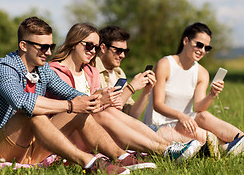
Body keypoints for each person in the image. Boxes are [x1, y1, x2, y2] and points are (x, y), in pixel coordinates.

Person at [0, 17, 157, 175]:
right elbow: (22, 102)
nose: (49, 52)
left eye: (51, 46)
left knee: (78, 112)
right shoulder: (4, 69)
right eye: (42, 47)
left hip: (27, 151)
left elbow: (72, 94)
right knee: (33, 113)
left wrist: (95, 100)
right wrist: (71, 105)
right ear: (24, 45)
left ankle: (121, 157)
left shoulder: (42, 69)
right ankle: (90, 162)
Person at [48, 23, 203, 163]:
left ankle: (168, 148)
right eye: (89, 46)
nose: (92, 51)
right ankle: (165, 150)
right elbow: (73, 107)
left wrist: (145, 92)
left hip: (96, 128)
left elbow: (123, 113)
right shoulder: (55, 71)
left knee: (108, 112)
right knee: (105, 113)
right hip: (66, 132)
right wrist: (124, 91)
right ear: (74, 42)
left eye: (94, 47)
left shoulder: (91, 72)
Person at [143, 22, 244, 155]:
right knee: (197, 130)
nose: (202, 50)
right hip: (160, 125)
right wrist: (181, 116)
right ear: (186, 41)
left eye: (207, 48)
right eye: (199, 45)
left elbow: (198, 108)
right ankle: (240, 146)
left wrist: (212, 94)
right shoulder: (165, 64)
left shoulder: (202, 73)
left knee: (203, 115)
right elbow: (157, 104)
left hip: (185, 122)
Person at [96, 26, 153, 120]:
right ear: (103, 48)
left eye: (125, 51)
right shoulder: (92, 70)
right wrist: (131, 87)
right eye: (118, 51)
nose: (122, 55)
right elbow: (106, 113)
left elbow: (133, 115)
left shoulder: (119, 72)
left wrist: (146, 91)